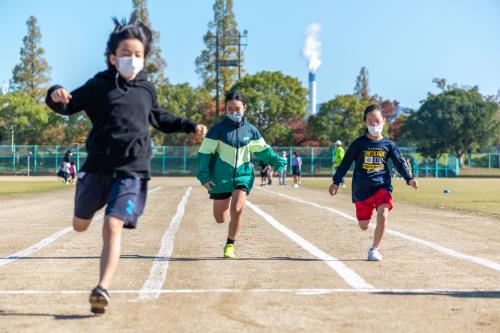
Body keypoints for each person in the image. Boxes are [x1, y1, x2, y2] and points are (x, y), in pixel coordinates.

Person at [45, 18, 207, 314]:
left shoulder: (146, 89)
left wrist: (190, 125)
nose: (132, 59)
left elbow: (160, 117)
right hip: (96, 168)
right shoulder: (98, 85)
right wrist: (55, 93)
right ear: (112, 57)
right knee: (79, 225)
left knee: (112, 224)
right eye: (126, 53)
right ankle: (83, 194)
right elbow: (67, 104)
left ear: (144, 58)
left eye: (138, 55)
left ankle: (102, 288)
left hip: (133, 171)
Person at [197, 91, 286, 259]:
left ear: (244, 108)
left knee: (237, 209)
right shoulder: (217, 131)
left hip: (243, 175)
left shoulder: (251, 131)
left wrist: (277, 161)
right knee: (220, 218)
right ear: (225, 109)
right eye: (230, 109)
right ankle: (228, 214)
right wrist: (204, 176)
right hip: (220, 178)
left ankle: (230, 244)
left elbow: (263, 151)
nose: (234, 112)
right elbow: (204, 154)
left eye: (237, 108)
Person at [329, 104, 419, 261]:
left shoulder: (389, 145)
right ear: (365, 122)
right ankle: (367, 213)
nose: (374, 124)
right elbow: (345, 163)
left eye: (377, 120)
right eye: (370, 121)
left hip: (382, 187)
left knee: (383, 215)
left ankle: (374, 249)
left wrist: (409, 178)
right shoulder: (359, 144)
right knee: (363, 225)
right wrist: (336, 181)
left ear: (384, 120)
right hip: (361, 190)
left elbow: (399, 162)